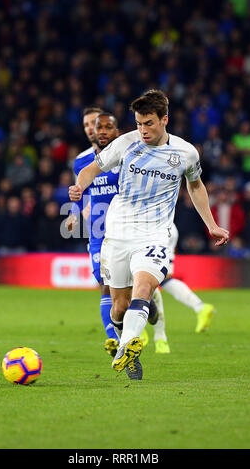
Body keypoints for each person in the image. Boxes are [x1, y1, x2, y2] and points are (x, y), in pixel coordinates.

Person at [69, 90, 229, 380]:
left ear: (164, 119)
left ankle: (128, 346)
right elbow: (91, 168)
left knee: (143, 288)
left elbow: (195, 186)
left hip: (155, 234)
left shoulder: (185, 153)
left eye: (149, 123)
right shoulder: (125, 144)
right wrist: (79, 189)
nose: (143, 130)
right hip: (118, 233)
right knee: (118, 307)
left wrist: (211, 224)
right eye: (139, 123)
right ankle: (128, 337)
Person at [66, 109, 170, 376]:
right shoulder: (81, 162)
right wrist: (75, 213)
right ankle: (119, 343)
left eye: (100, 125)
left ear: (115, 130)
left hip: (133, 231)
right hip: (101, 235)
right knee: (108, 291)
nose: (93, 129)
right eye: (88, 124)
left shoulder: (128, 154)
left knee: (136, 286)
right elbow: (82, 192)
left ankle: (144, 315)